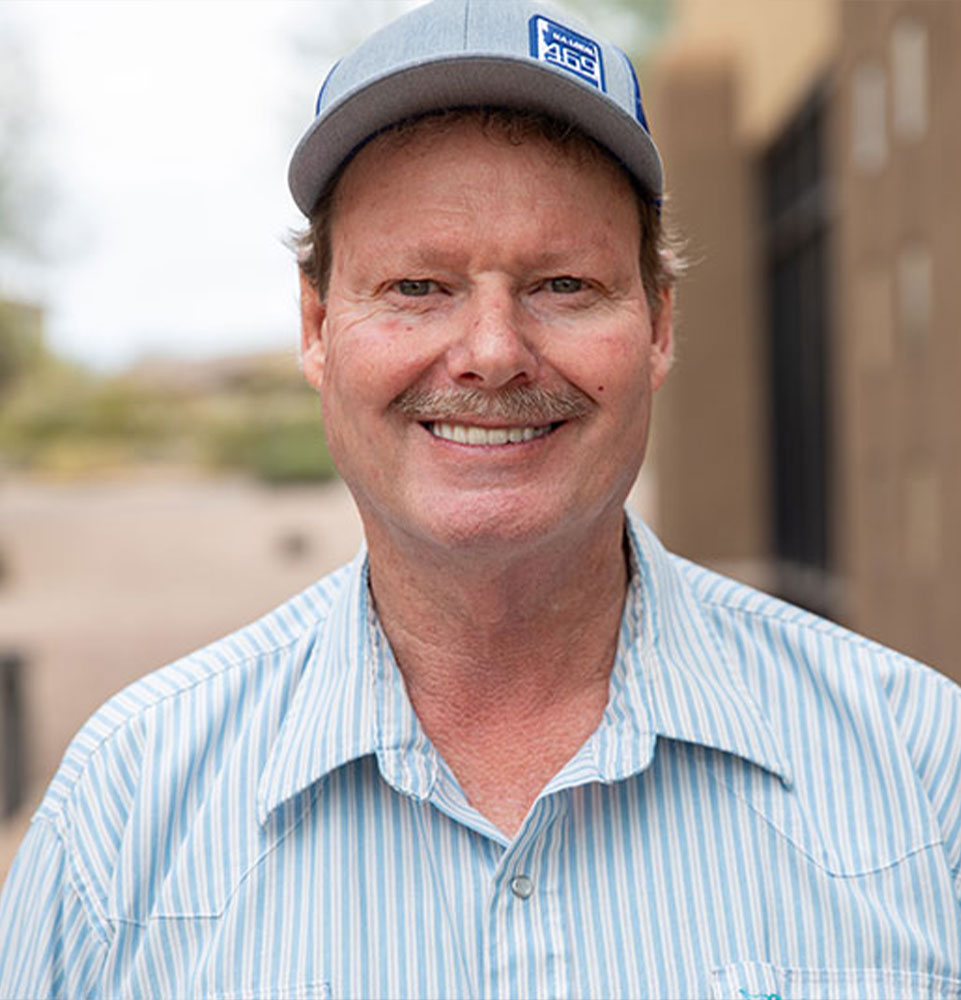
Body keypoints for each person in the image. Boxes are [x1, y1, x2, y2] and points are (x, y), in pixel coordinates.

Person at [2, 0, 960, 996]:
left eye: (562, 285)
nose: (493, 352)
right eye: (418, 286)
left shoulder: (925, 776)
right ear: (319, 325)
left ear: (659, 325)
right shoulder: (123, 814)